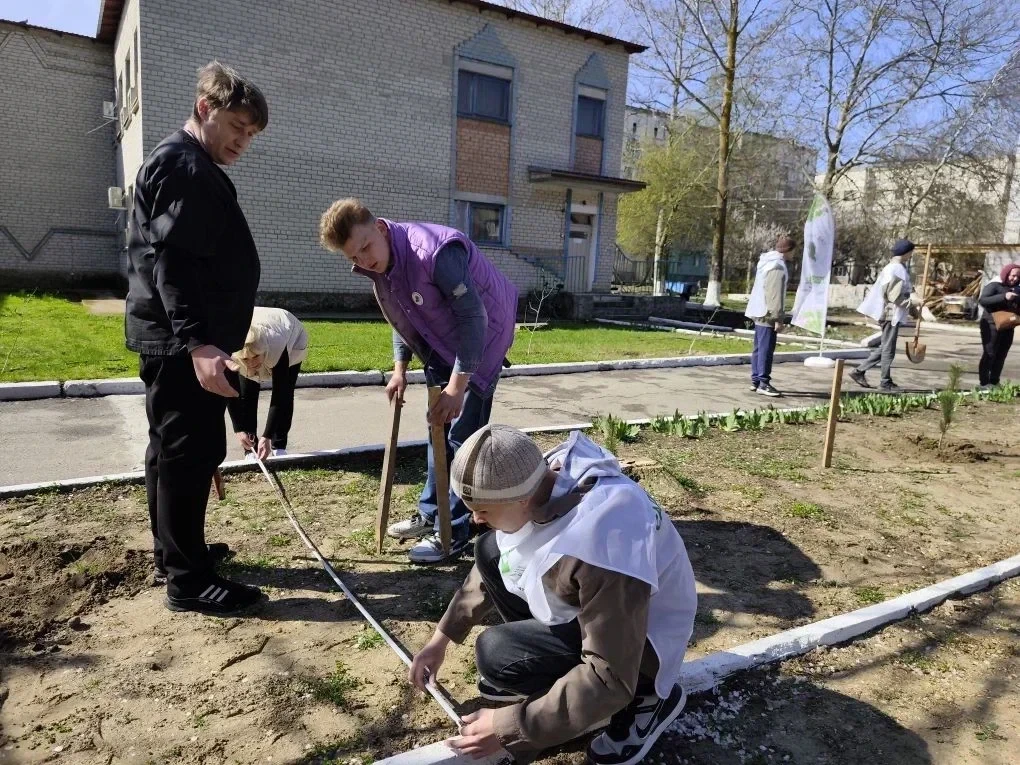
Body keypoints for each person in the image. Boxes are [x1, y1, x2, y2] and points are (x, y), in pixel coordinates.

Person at [409, 424, 697, 765]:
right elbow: (504, 556)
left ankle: (647, 699)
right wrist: (441, 638)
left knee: (498, 651)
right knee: (490, 549)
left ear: (523, 500)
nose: (475, 518)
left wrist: (511, 726)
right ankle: (560, 679)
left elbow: (611, 675)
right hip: (603, 604)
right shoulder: (543, 478)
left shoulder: (602, 545)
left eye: (484, 510)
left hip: (641, 645)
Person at [124, 61, 268, 615]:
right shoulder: (184, 166)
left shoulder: (187, 163)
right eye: (238, 127)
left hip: (176, 338)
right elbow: (176, 261)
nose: (243, 141)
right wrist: (199, 344)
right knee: (190, 453)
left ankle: (175, 552)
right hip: (182, 341)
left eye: (251, 135)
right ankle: (188, 580)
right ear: (206, 109)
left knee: (170, 451)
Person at [319, 199, 518, 564]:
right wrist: (399, 370)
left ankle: (454, 531)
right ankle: (432, 514)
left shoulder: (433, 251)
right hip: (442, 343)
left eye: (365, 247)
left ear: (380, 227)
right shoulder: (381, 265)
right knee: (437, 432)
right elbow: (403, 316)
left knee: (463, 441)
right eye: (354, 257)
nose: (364, 261)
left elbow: (475, 317)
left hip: (483, 337)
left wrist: (458, 387)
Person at [227, 306, 309, 460]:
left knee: (286, 391)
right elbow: (231, 393)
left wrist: (268, 436)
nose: (251, 363)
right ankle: (251, 449)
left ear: (264, 351)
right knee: (247, 393)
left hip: (289, 332)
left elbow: (280, 393)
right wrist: (239, 430)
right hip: (253, 327)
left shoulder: (276, 345)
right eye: (246, 359)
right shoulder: (231, 349)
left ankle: (279, 445)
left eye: (256, 357)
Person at [850, 238, 915, 393]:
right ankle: (885, 382)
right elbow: (894, 297)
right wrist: (913, 303)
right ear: (906, 252)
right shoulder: (896, 269)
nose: (911, 256)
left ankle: (859, 371)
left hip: (889, 314)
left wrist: (914, 308)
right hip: (890, 314)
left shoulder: (893, 268)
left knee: (885, 347)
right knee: (888, 349)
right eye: (911, 252)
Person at [745, 235, 794, 397]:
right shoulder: (777, 266)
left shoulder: (766, 261)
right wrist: (778, 319)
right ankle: (764, 382)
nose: (794, 255)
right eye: (794, 251)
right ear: (788, 251)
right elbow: (775, 295)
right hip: (767, 313)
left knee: (759, 348)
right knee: (766, 349)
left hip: (759, 310)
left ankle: (756, 380)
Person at [977, 262, 1020, 388]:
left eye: (1018, 277)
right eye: (1013, 276)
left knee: (1001, 354)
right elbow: (983, 300)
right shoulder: (995, 285)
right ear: (1006, 274)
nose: (1015, 279)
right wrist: (1004, 296)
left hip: (1008, 325)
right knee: (990, 353)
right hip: (991, 323)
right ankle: (984, 383)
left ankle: (995, 381)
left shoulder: (1017, 289)